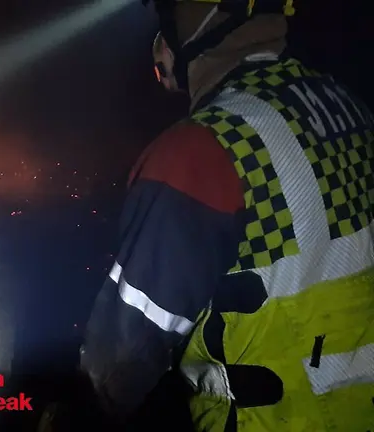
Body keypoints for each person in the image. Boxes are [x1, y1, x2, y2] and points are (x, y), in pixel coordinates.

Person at [75, 0, 374, 430]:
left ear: (202, 20)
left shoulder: (200, 151)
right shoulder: (346, 106)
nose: (161, 41)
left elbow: (117, 365)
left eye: (168, 18)